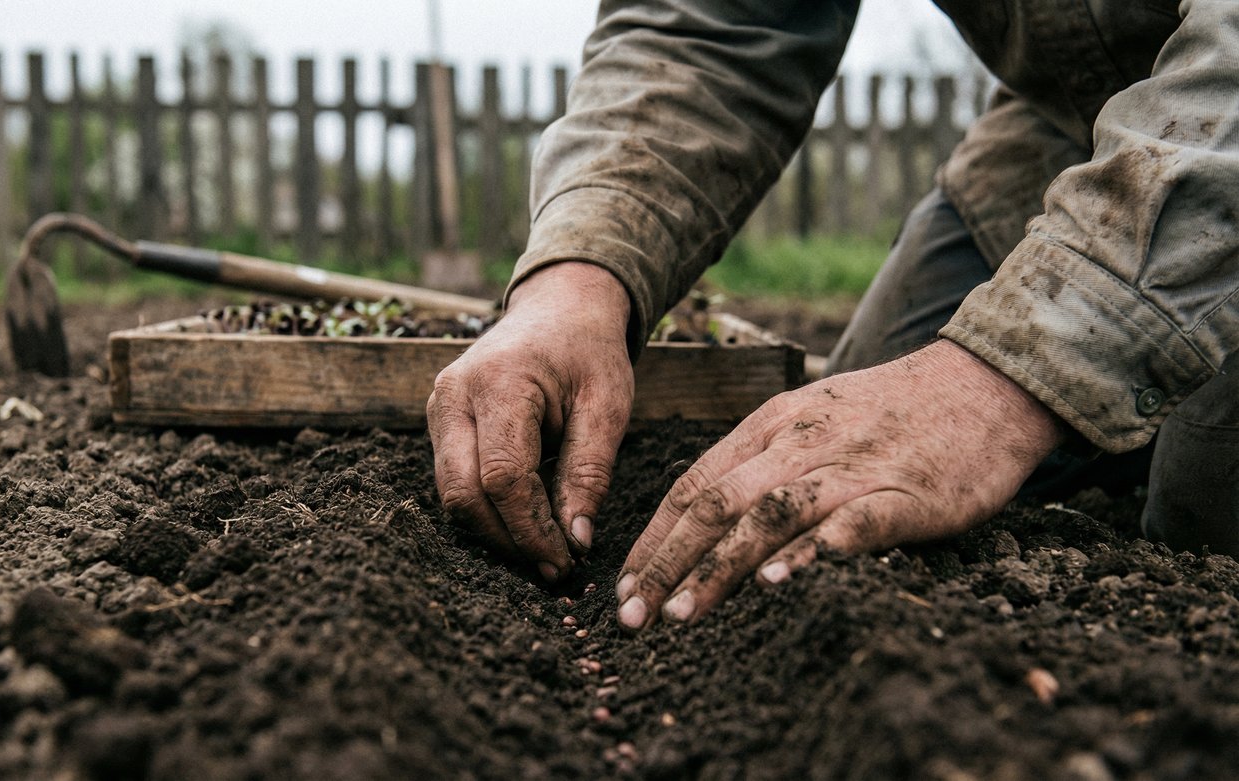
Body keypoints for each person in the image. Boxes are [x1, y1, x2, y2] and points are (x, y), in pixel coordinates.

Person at [426, 0, 1239, 633]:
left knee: (1201, 516)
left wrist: (1001, 381)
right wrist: (578, 272)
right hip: (1078, 121)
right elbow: (715, 26)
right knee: (829, 475)